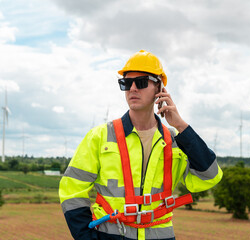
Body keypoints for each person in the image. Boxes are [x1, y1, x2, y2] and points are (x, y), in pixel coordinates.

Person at [59, 50, 223, 240]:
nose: (133, 88)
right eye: (126, 83)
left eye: (142, 82)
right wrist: (86, 237)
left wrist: (181, 126)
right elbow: (71, 189)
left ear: (159, 88)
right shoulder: (100, 136)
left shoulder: (176, 140)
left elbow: (210, 176)